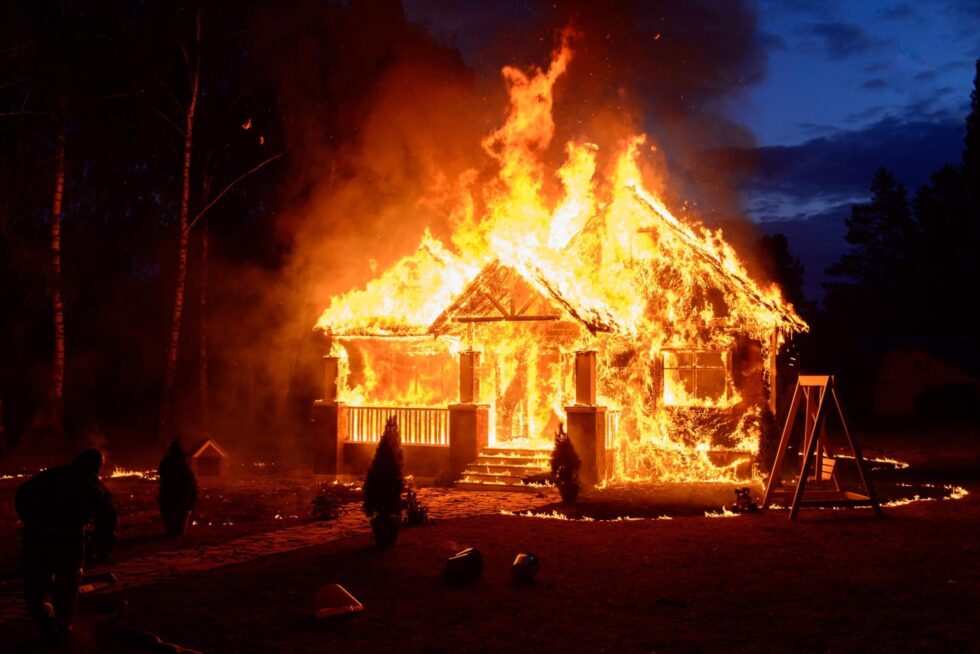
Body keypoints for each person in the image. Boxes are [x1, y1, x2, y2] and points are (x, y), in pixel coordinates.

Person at [15, 448, 117, 643]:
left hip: (36, 538)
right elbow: (107, 520)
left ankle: (43, 619)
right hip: (68, 541)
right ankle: (62, 625)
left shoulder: (50, 476)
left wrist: (29, 519)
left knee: (35, 582)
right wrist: (103, 546)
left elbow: (22, 494)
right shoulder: (94, 486)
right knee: (68, 583)